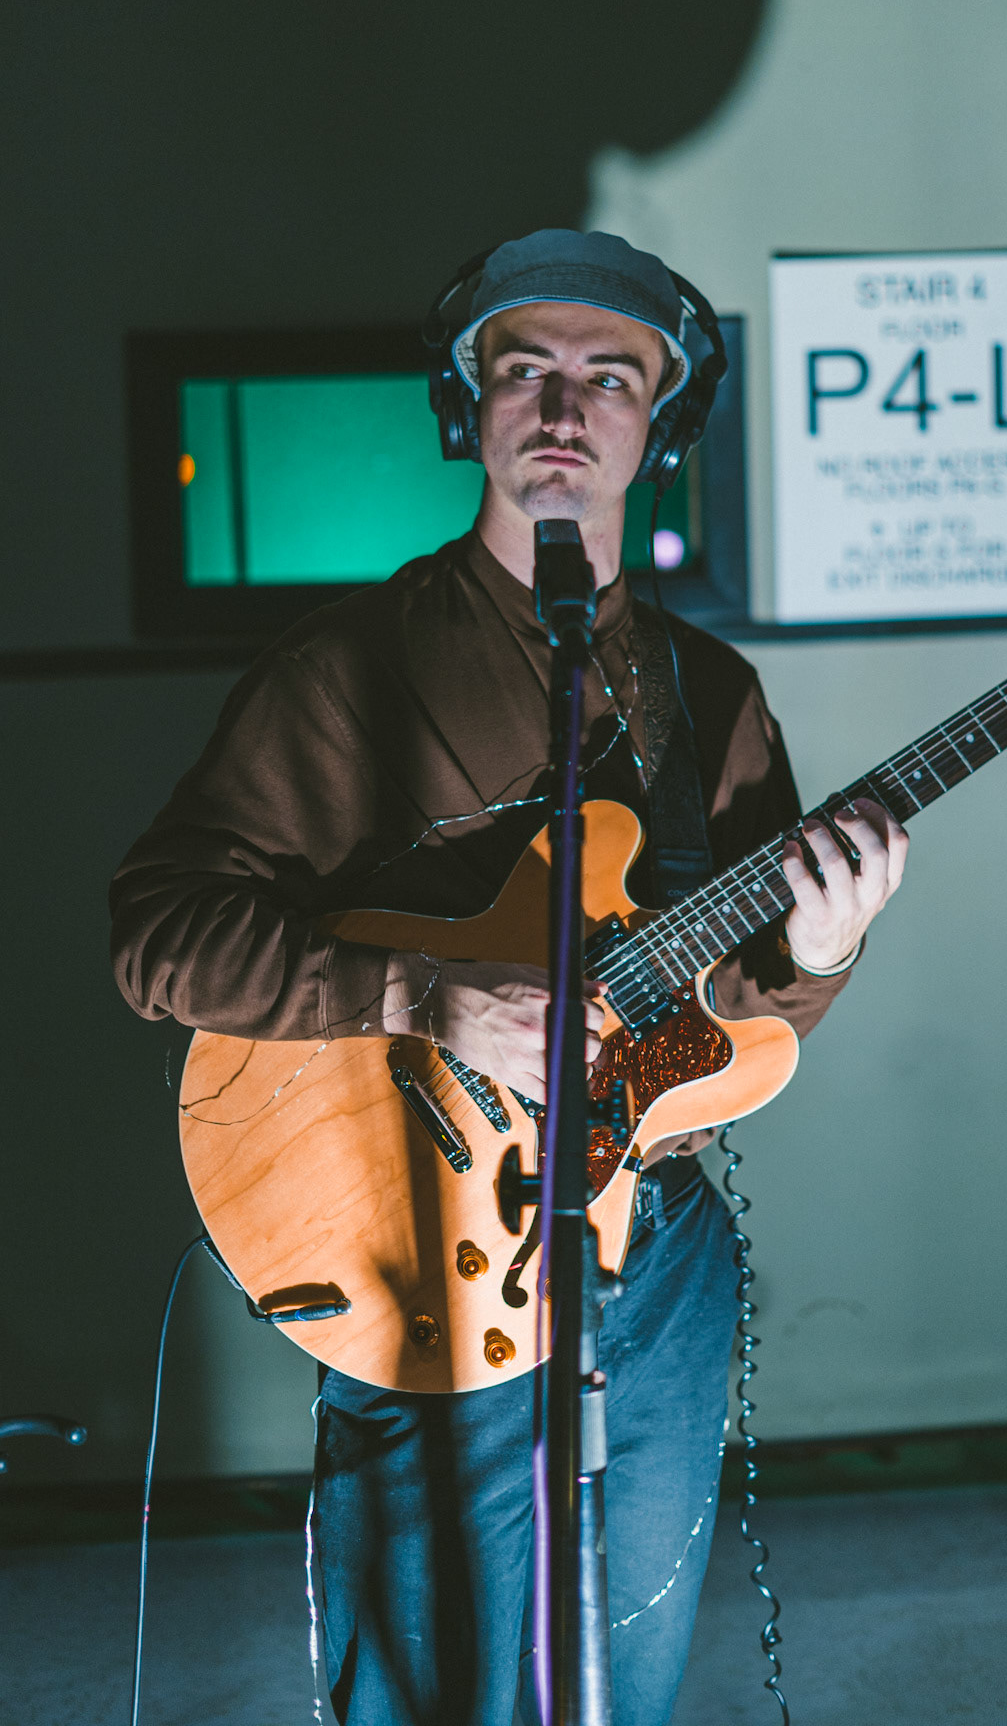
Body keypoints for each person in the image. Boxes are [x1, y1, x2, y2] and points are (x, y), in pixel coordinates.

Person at [110, 229, 907, 1726]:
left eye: (612, 379)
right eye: (524, 369)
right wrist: (418, 993)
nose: (563, 408)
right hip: (425, 1238)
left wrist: (819, 950)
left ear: (659, 429)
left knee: (624, 1676)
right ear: (465, 407)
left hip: (652, 1247)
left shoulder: (709, 694)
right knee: (436, 1687)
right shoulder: (346, 669)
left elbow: (733, 1021)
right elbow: (159, 935)